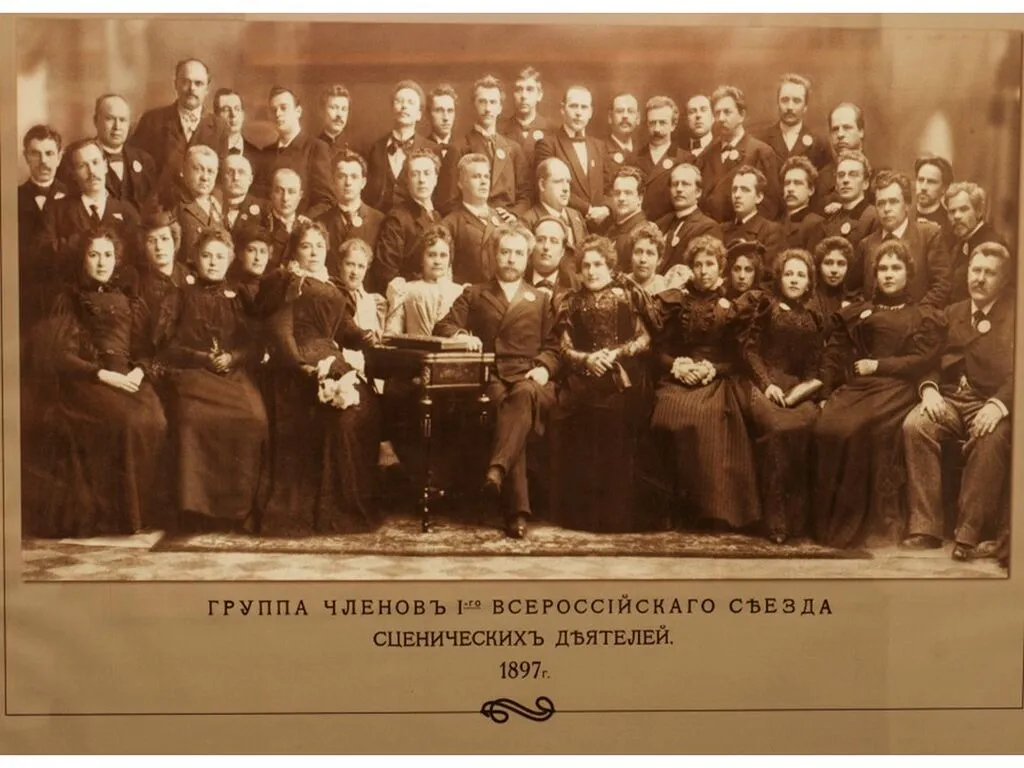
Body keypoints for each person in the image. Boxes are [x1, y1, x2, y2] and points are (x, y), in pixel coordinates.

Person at [28, 229, 167, 538]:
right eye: (94, 255)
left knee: (155, 419)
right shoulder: (69, 299)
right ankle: (120, 516)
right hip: (88, 379)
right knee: (126, 420)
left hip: (127, 377)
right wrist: (102, 374)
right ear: (83, 259)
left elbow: (144, 348)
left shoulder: (129, 299)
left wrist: (138, 372)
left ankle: (144, 512)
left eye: (108, 255)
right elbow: (61, 355)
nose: (102, 262)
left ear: (117, 259)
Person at [811, 238, 943, 548]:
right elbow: (834, 353)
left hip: (896, 388)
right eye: (883, 268)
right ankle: (822, 525)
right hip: (858, 387)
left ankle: (850, 529)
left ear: (908, 274)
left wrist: (879, 365)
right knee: (825, 426)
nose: (888, 274)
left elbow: (922, 360)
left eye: (896, 268)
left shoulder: (921, 315)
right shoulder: (860, 311)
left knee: (853, 430)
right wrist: (825, 393)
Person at [434, 223, 561, 539]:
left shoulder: (541, 299)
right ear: (494, 255)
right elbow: (443, 326)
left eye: (518, 253)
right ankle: (515, 511)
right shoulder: (475, 293)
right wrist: (461, 336)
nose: (511, 259)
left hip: (530, 375)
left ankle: (496, 471)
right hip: (490, 375)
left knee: (522, 396)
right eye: (505, 252)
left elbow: (554, 346)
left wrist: (544, 367)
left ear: (527, 257)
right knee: (510, 408)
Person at [256, 220, 382, 535]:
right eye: (306, 246)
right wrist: (299, 366)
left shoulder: (330, 284)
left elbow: (341, 327)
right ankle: (328, 508)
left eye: (319, 246)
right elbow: (280, 328)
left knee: (365, 409)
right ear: (294, 250)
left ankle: (347, 502)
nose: (313, 252)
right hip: (297, 363)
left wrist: (364, 336)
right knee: (340, 419)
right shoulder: (287, 280)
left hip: (329, 356)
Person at [901, 242, 1014, 561]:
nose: (980, 278)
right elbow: (929, 360)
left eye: (990, 273)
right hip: (949, 398)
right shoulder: (952, 313)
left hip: (988, 401)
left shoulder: (1014, 316)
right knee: (915, 425)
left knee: (991, 436)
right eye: (976, 270)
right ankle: (926, 528)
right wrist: (929, 389)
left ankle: (968, 534)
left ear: (1004, 279)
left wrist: (998, 405)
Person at [156, 229, 268, 533]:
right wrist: (202, 358)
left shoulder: (240, 296)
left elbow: (255, 343)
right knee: (191, 419)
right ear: (195, 258)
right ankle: (196, 512)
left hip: (233, 373)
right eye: (207, 256)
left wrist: (232, 357)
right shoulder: (179, 295)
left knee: (254, 418)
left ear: (230, 260)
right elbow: (167, 346)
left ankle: (238, 510)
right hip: (192, 373)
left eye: (220, 256)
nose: (213, 262)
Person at [649, 234, 761, 532]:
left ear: (720, 268)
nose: (703, 270)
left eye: (710, 264)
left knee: (706, 418)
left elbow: (738, 357)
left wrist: (713, 368)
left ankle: (712, 510)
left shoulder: (731, 305)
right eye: (698, 264)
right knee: (666, 413)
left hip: (717, 379)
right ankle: (673, 509)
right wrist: (677, 365)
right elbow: (658, 349)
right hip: (680, 375)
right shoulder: (676, 302)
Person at [548, 235, 655, 533]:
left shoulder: (626, 296)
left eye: (598, 265)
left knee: (617, 416)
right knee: (577, 415)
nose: (592, 271)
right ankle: (583, 515)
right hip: (583, 377)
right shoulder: (571, 302)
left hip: (623, 376)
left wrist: (616, 353)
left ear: (609, 267)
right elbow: (564, 348)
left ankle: (617, 515)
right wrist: (587, 359)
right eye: (586, 266)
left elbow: (645, 338)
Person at [741, 248, 825, 544]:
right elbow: (750, 351)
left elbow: (813, 368)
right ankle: (776, 521)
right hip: (764, 384)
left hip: (797, 390)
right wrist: (767, 385)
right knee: (776, 430)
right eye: (789, 273)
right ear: (779, 277)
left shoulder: (813, 317)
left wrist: (804, 392)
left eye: (801, 275)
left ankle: (799, 520)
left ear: (809, 282)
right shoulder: (767, 307)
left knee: (809, 426)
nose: (794, 279)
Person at [37, 138, 142, 289]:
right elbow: (43, 255)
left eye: (95, 162)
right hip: (70, 293)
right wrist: (79, 243)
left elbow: (137, 258)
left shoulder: (127, 212)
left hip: (118, 295)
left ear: (105, 165)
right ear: (73, 173)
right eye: (82, 166)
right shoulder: (56, 210)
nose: (91, 171)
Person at [854, 170, 951, 310]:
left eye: (893, 202)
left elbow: (942, 285)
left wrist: (918, 315)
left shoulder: (929, 236)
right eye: (881, 203)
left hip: (918, 319)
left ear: (907, 204)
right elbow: (854, 290)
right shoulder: (866, 244)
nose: (886, 209)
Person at [128, 58, 229, 186]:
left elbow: (221, 177)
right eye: (186, 82)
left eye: (198, 83)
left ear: (207, 89)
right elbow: (135, 167)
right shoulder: (152, 121)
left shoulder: (219, 127)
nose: (192, 88)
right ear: (175, 84)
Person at [444, 75, 531, 219]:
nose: (488, 108)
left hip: (508, 222)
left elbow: (526, 196)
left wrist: (514, 214)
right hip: (474, 221)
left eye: (493, 102)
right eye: (482, 102)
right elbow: (449, 200)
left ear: (500, 108)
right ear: (474, 105)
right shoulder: (459, 148)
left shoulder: (514, 149)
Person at [57, 94, 157, 215]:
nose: (117, 127)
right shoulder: (74, 157)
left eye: (122, 120)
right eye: (110, 119)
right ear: (96, 121)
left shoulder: (144, 160)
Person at [697, 85, 781, 222]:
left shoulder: (761, 152)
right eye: (717, 113)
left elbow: (770, 206)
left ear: (742, 115)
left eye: (727, 112)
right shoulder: (707, 154)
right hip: (709, 229)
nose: (721, 118)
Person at [535, 84, 611, 231]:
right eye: (573, 106)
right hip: (565, 225)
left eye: (584, 107)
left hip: (601, 227)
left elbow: (610, 186)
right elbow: (549, 189)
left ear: (590, 112)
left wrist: (606, 209)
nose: (578, 113)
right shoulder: (548, 145)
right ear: (562, 109)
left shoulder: (599, 146)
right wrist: (589, 210)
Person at [364, 80, 440, 213]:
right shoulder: (376, 148)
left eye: (410, 102)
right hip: (379, 220)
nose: (404, 106)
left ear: (419, 114)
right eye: (399, 101)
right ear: (392, 110)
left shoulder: (433, 149)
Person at [19, 125, 68, 331]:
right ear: (26, 156)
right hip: (25, 294)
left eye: (49, 153)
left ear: (59, 156)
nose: (43, 161)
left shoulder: (74, 198)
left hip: (64, 296)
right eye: (35, 154)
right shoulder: (13, 198)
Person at [373, 148, 442, 290]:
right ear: (407, 181)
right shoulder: (397, 219)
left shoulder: (437, 216)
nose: (422, 180)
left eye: (427, 173)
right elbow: (386, 271)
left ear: (435, 179)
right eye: (415, 174)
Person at [258, 86, 334, 213]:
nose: (278, 114)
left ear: (298, 112)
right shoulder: (266, 152)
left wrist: (304, 221)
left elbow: (326, 201)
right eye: (273, 110)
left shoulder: (316, 148)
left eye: (283, 108)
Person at [385, 225, 465, 336]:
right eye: (431, 255)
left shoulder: (459, 293)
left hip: (451, 347)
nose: (437, 261)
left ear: (450, 259)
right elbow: (392, 332)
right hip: (415, 346)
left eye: (443, 256)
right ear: (422, 259)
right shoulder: (406, 290)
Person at [316, 149, 385, 279]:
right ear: (333, 182)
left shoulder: (379, 221)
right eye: (341, 176)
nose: (348, 183)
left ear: (363, 183)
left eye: (354, 177)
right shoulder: (321, 222)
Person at [441, 152, 505, 285]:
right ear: (461, 183)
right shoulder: (450, 224)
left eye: (486, 177)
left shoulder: (502, 219)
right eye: (476, 176)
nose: (483, 182)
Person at [943, 181, 1008, 304]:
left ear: (979, 211)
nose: (956, 216)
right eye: (952, 211)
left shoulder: (993, 244)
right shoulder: (957, 243)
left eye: (963, 209)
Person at [633, 95, 695, 222]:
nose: (657, 129)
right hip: (640, 225)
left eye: (662, 123)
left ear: (673, 125)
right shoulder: (633, 159)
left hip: (672, 225)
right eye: (652, 123)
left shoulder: (687, 160)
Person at [655, 162, 723, 272]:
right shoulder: (661, 223)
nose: (679, 189)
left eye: (685, 184)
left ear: (698, 192)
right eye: (675, 184)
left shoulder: (708, 228)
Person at [757, 73, 830, 169]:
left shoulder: (819, 144)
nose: (790, 107)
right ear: (778, 103)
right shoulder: (762, 140)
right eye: (785, 100)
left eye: (796, 101)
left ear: (805, 107)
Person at [722, 166, 782, 277]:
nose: (737, 195)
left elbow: (768, 274)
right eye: (734, 189)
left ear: (759, 197)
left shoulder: (771, 231)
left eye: (745, 190)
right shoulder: (721, 229)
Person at [519, 157, 588, 249]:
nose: (566, 188)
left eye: (568, 182)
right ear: (542, 185)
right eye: (558, 181)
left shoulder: (576, 216)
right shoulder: (527, 222)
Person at [173, 144, 224, 266]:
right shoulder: (174, 205)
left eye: (210, 171)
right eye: (198, 169)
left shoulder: (217, 205)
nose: (205, 177)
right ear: (184, 170)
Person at [812, 102, 867, 214]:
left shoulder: (876, 175)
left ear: (861, 132)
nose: (840, 134)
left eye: (847, 128)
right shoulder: (819, 180)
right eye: (835, 129)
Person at [820, 150, 878, 252]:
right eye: (841, 175)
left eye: (853, 174)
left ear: (865, 183)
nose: (845, 180)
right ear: (836, 184)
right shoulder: (830, 220)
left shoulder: (873, 217)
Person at [498, 66, 555, 170]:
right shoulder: (499, 130)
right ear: (512, 94)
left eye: (530, 89)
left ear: (539, 95)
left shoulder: (552, 131)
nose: (523, 96)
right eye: (518, 90)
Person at [260, 167, 311, 267]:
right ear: (271, 193)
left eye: (291, 192)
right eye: (279, 191)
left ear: (300, 195)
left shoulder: (306, 227)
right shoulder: (261, 224)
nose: (285, 198)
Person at [526, 216, 580, 310]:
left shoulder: (575, 287)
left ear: (563, 250)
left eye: (554, 241)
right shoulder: (517, 281)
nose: (546, 247)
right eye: (540, 240)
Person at [602, 166, 649, 271]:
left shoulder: (642, 233)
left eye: (628, 193)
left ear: (640, 198)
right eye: (617, 193)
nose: (621, 198)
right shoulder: (613, 228)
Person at [626, 221, 691, 295]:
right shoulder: (621, 285)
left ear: (659, 260)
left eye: (650, 253)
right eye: (638, 252)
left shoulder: (665, 289)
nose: (643, 259)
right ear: (631, 255)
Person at [780, 156, 825, 252]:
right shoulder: (779, 222)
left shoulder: (815, 224)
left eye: (797, 183)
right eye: (787, 183)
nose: (790, 189)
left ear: (811, 190)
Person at [214, 87, 263, 171]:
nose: (233, 114)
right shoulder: (209, 151)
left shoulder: (257, 156)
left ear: (243, 114)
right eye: (226, 110)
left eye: (237, 109)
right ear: (216, 116)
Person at [219, 153, 268, 235]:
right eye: (230, 172)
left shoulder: (264, 210)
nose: (236, 178)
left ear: (250, 179)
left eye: (241, 172)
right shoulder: (212, 204)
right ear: (221, 177)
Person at [811, 235, 856, 322]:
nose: (834, 270)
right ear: (819, 266)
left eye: (841, 264)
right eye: (828, 263)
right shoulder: (810, 299)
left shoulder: (854, 300)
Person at [914, 154, 955, 242]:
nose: (923, 187)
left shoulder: (949, 224)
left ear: (944, 188)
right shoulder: (903, 216)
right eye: (920, 180)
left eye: (931, 182)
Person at [603, 92, 640, 181]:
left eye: (630, 111)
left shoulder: (644, 151)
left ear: (638, 118)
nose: (625, 116)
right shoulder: (599, 151)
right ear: (610, 117)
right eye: (619, 111)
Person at [317, 84, 355, 154]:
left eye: (344, 109)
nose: (339, 115)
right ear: (322, 111)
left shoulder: (358, 149)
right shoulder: (312, 148)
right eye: (333, 108)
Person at [426, 84, 458, 159]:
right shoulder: (421, 147)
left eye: (450, 111)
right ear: (428, 114)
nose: (446, 118)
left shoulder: (465, 148)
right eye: (439, 111)